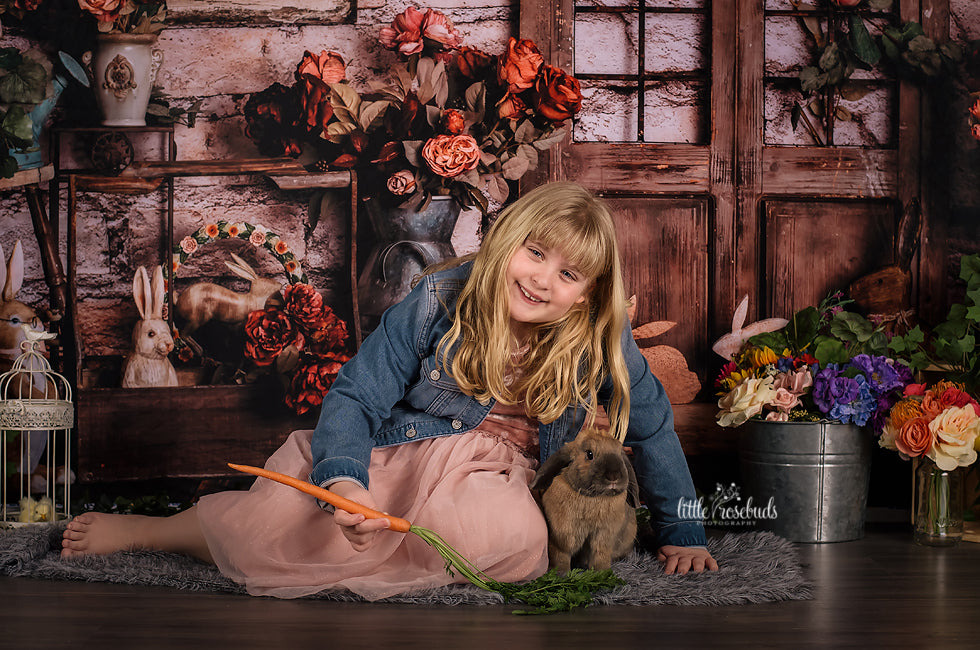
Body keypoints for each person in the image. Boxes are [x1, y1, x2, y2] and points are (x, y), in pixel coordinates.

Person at [61, 181, 718, 600]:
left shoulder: (599, 337)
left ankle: (401, 544)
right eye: (535, 253)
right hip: (408, 448)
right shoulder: (441, 296)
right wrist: (345, 480)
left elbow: (652, 426)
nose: (545, 279)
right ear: (505, 243)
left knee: (504, 539)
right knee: (281, 524)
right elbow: (356, 393)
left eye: (570, 273)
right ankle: (158, 532)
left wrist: (683, 529)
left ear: (592, 293)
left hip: (497, 473)